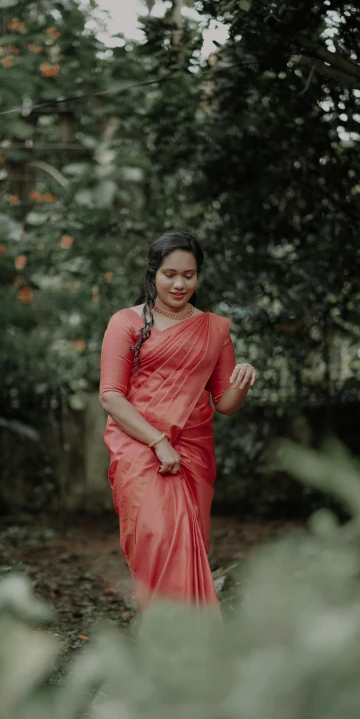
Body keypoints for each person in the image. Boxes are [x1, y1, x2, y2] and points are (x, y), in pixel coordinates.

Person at [99, 230, 256, 615]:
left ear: (198, 276)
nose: (180, 283)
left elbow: (225, 404)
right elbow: (110, 396)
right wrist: (157, 441)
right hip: (140, 451)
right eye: (170, 274)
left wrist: (243, 381)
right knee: (158, 538)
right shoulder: (125, 323)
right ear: (154, 274)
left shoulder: (215, 331)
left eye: (189, 274)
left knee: (189, 547)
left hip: (193, 454)